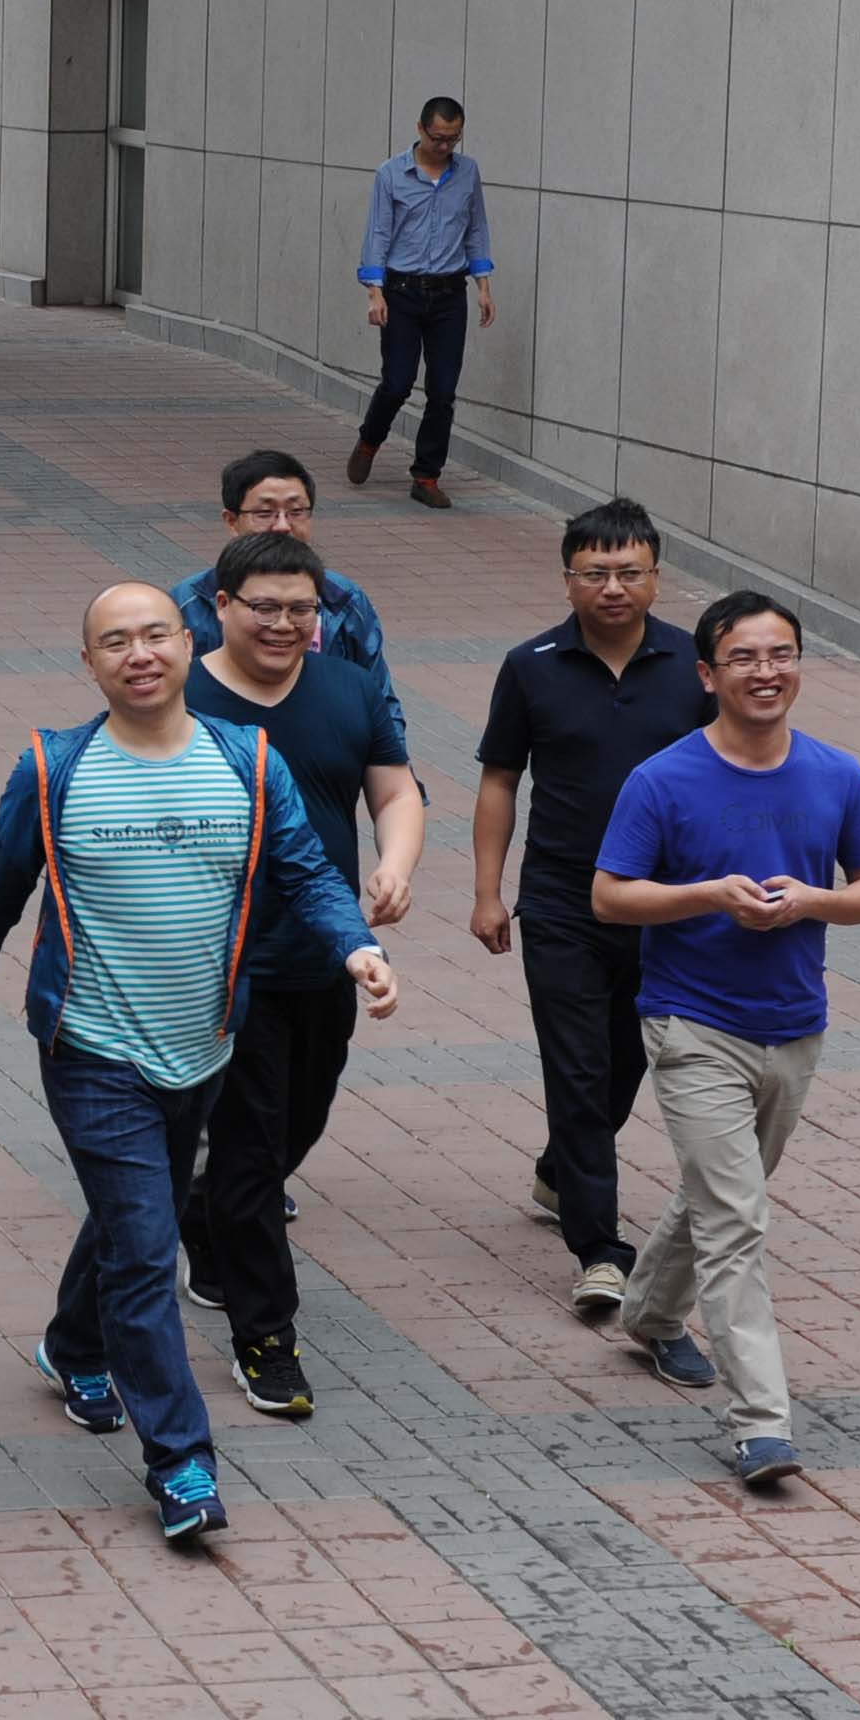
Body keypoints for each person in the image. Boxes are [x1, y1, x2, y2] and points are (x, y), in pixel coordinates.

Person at [0, 582, 395, 1549]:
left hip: (203, 1046)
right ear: (90, 663)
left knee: (138, 1215)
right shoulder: (53, 767)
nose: (140, 654)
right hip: (92, 1047)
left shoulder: (248, 761)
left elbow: (306, 871)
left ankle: (72, 1344)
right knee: (146, 1249)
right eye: (115, 640)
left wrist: (355, 946)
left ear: (186, 644)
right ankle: (180, 1461)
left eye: (156, 633)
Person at [591, 594, 860, 1492]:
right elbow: (611, 895)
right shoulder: (662, 779)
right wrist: (709, 895)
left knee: (723, 1192)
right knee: (737, 1221)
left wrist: (812, 901)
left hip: (795, 1025)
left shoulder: (837, 774)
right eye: (745, 658)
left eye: (781, 655)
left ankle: (649, 1313)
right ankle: (763, 1425)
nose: (766, 672)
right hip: (691, 1025)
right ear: (708, 673)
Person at [178, 531, 423, 1421]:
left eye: (301, 610)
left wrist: (394, 863)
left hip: (323, 957)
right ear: (222, 608)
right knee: (251, 1151)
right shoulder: (180, 695)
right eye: (265, 608)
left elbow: (394, 790)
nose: (284, 625)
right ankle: (267, 1339)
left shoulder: (348, 689)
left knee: (296, 1125)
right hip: (217, 968)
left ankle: (205, 1212)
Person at [471, 499, 710, 1320]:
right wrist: (487, 892)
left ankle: (559, 1169)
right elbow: (501, 779)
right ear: (568, 579)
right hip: (562, 900)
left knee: (624, 1062)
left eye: (629, 572)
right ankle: (600, 1252)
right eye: (595, 573)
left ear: (656, 578)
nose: (613, 587)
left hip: (663, 903)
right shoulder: (530, 665)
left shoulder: (694, 665)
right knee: (575, 1066)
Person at [170, 449, 403, 732]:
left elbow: (381, 703)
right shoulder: (187, 604)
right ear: (231, 521)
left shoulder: (343, 599)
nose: (282, 525)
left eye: (296, 512)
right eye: (264, 513)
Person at [349, 96, 492, 508]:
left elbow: (476, 227)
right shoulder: (391, 174)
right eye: (437, 138)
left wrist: (483, 285)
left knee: (443, 391)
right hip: (402, 292)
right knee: (397, 383)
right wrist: (374, 292)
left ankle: (426, 476)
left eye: (453, 139)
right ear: (420, 129)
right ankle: (370, 440)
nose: (444, 146)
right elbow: (378, 233)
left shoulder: (467, 173)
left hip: (450, 294)